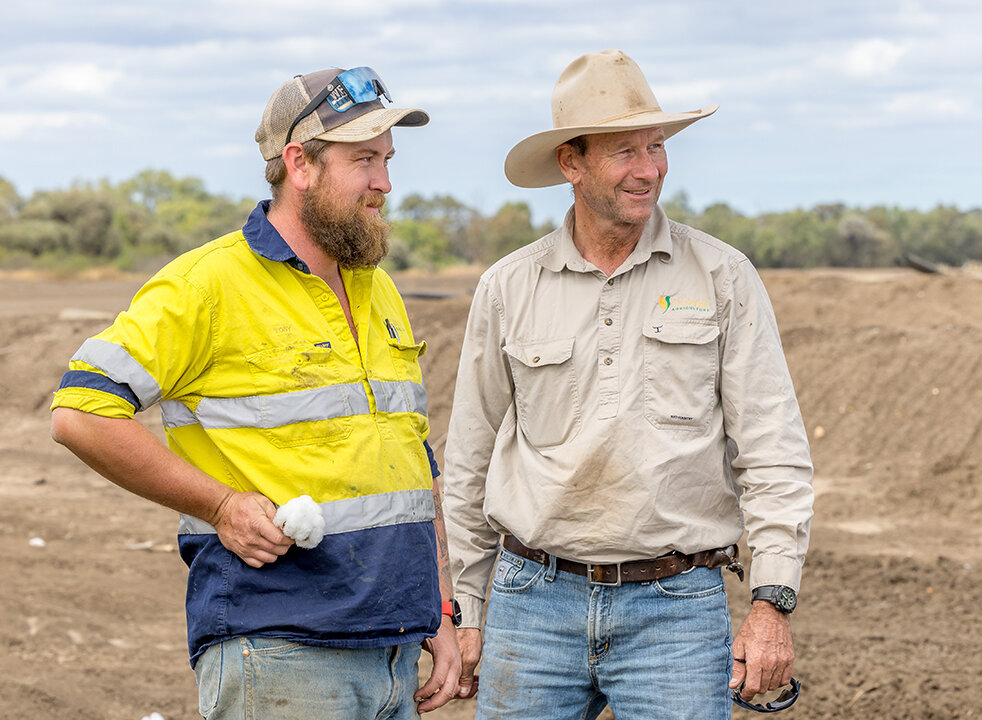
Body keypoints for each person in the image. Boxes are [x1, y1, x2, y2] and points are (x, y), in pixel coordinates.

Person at [50, 66, 462, 719]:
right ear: (299, 164)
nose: (384, 181)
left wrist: (438, 606)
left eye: (387, 160)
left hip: (392, 650)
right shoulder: (207, 285)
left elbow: (411, 459)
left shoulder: (376, 290)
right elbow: (81, 412)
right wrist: (219, 505)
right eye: (364, 161)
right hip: (279, 653)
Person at [442, 49, 814, 719]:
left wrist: (772, 601)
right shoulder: (509, 287)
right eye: (625, 152)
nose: (649, 169)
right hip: (532, 604)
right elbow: (469, 457)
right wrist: (467, 607)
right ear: (571, 163)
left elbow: (773, 450)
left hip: (676, 608)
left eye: (656, 147)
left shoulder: (722, 278)